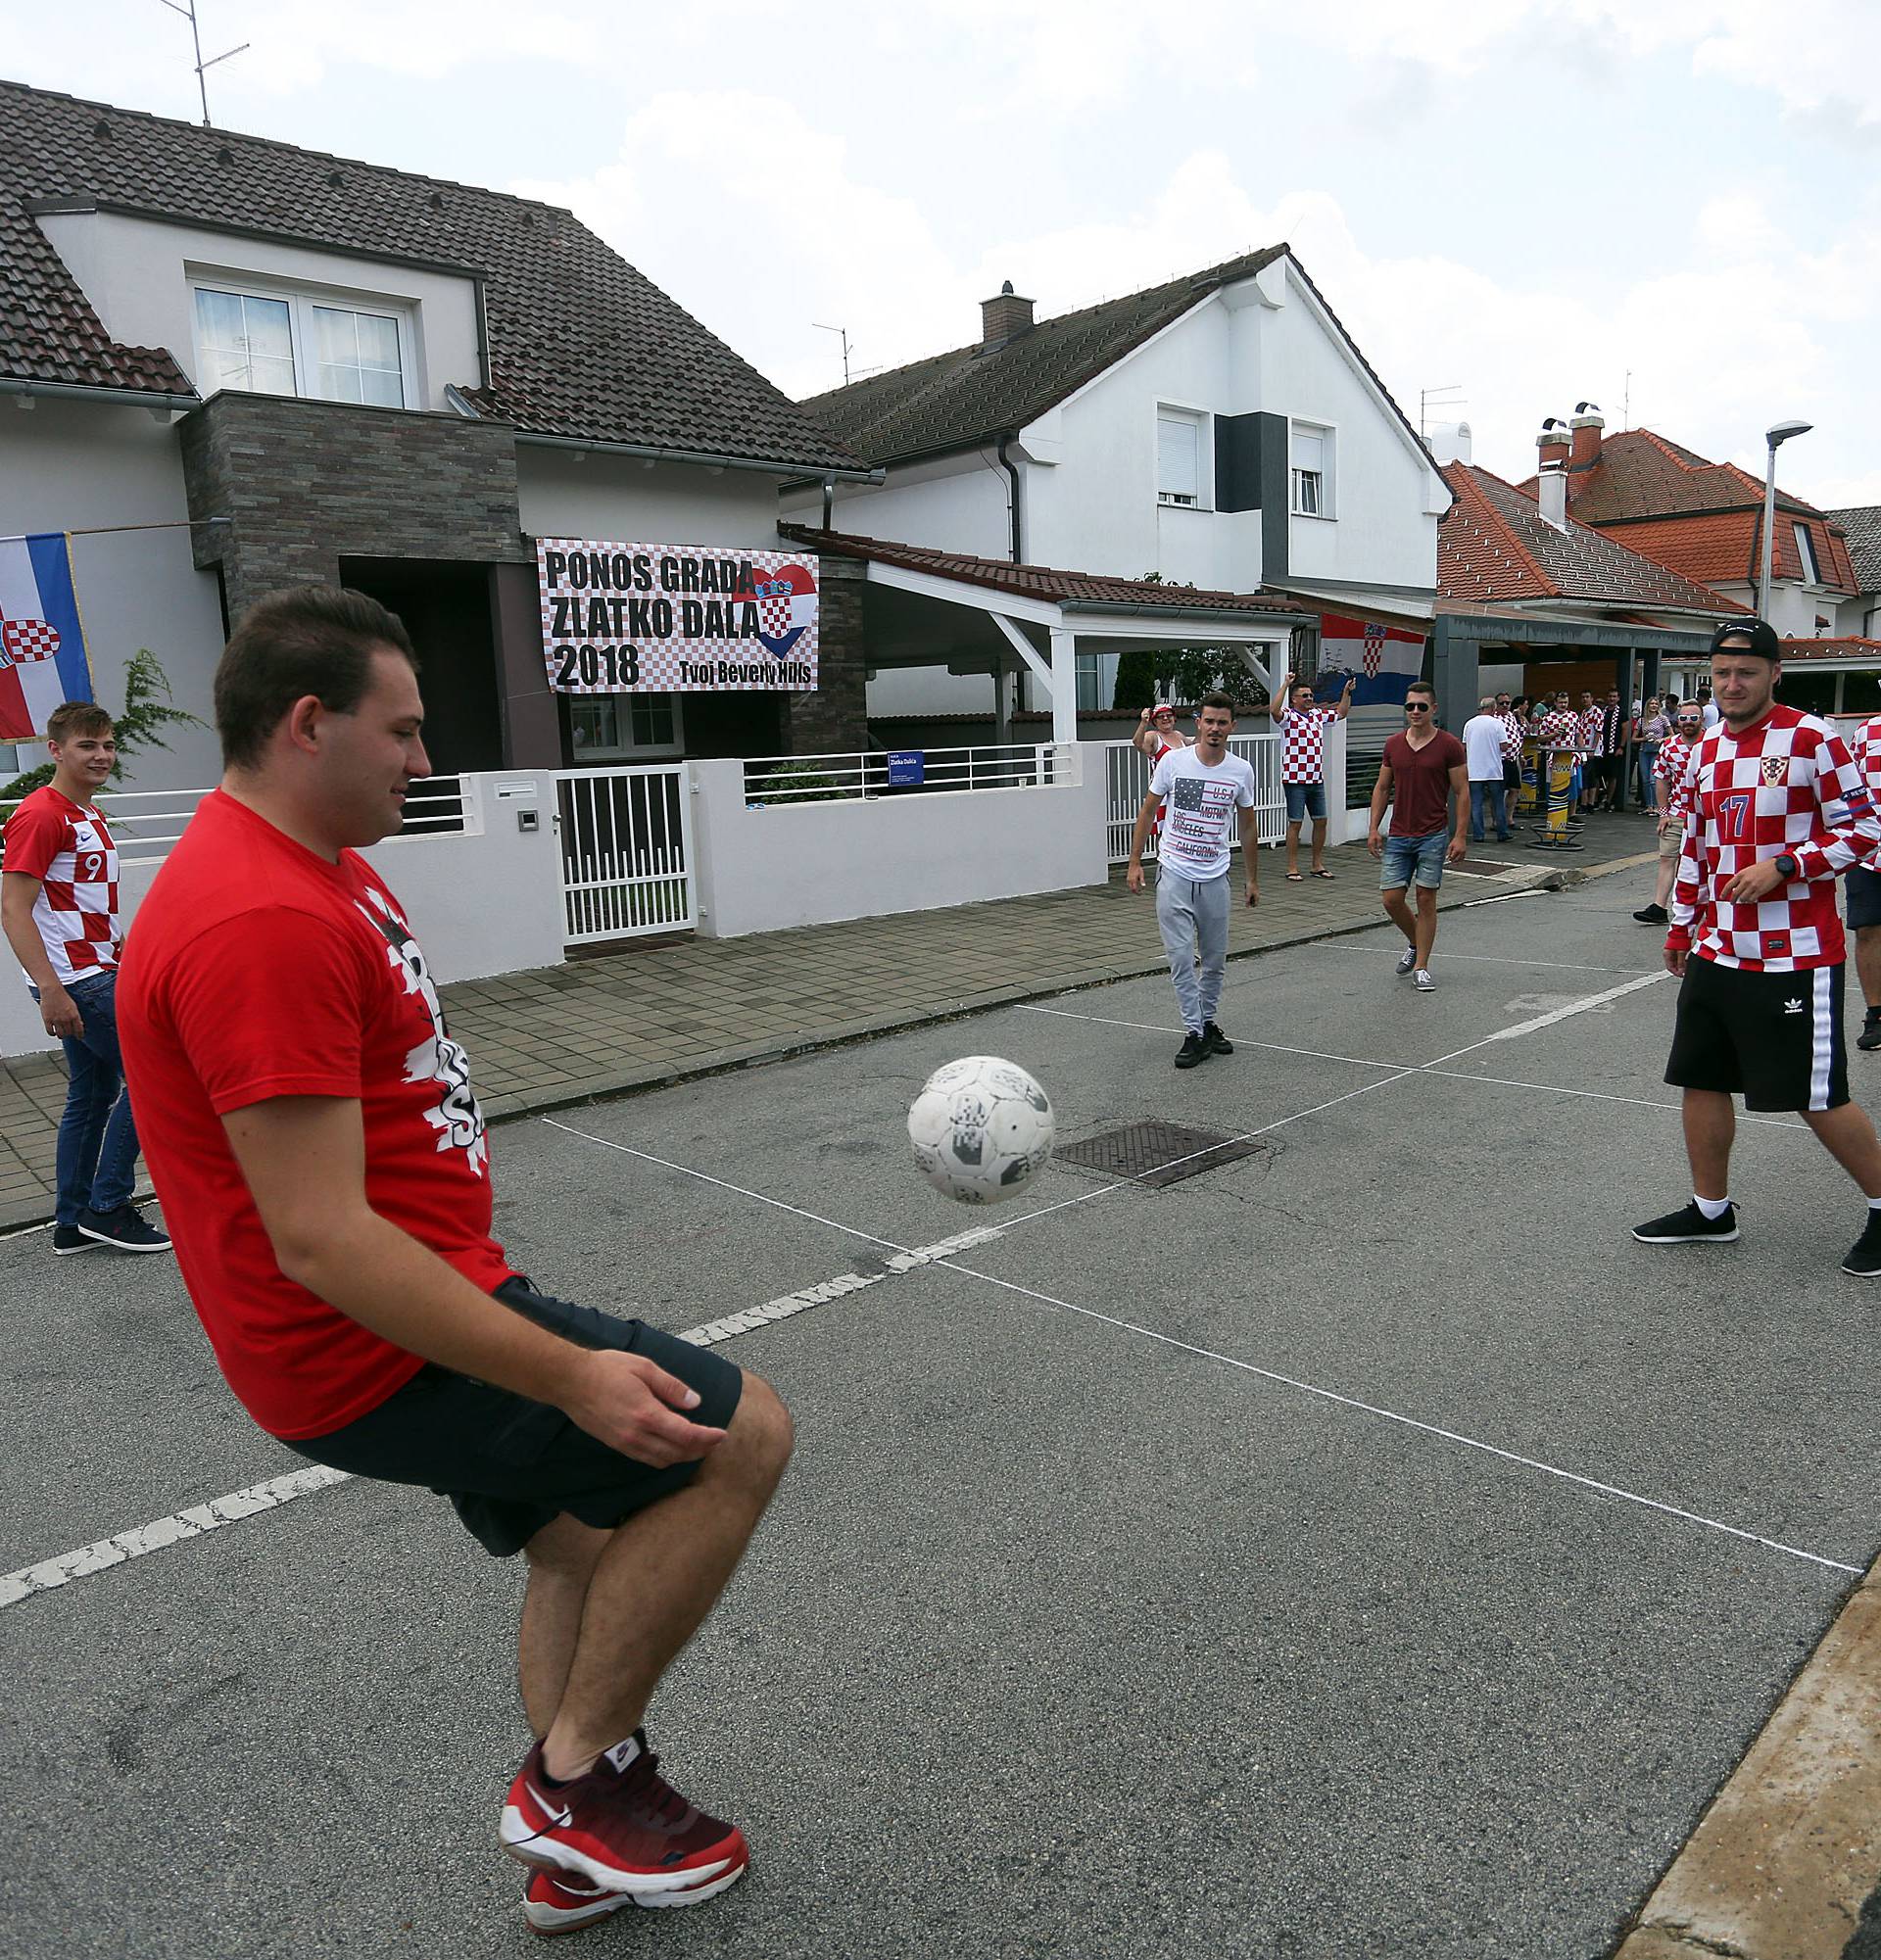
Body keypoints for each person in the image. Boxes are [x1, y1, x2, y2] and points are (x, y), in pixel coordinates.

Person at [116, 588, 794, 1933]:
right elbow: (316, 1235)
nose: (425, 760)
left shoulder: (321, 864)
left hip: (420, 1301)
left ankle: (572, 1840)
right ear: (309, 724)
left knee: (585, 1535)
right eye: (405, 730)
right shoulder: (259, 915)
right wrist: (569, 1373)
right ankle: (576, 1786)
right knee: (736, 1433)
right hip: (368, 1349)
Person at [1633, 619, 1881, 1275]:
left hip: (1795, 952)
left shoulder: (1812, 737)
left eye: (1745, 671)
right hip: (1719, 947)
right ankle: (1711, 1210)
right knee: (1700, 1076)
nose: (1732, 684)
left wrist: (1788, 866)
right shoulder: (1706, 745)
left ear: (1775, 672)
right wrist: (1682, 925)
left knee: (1815, 1092)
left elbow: (1864, 830)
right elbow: (1697, 844)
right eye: (1721, 673)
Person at [1, 701, 170, 1256]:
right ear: (55, 750)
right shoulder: (42, 813)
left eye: (108, 745)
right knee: (157, 1078)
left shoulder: (82, 811)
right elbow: (12, 907)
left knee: (93, 1093)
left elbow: (75, 900)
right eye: (86, 746)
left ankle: (72, 1221)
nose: (101, 756)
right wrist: (50, 989)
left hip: (94, 969)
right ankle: (110, 1207)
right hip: (80, 981)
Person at [1127, 692, 1258, 1067]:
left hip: (1215, 876)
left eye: (1222, 722)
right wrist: (1135, 862)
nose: (1215, 728)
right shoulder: (1173, 763)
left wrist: (1252, 879)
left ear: (1232, 726)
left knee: (1215, 960)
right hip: (1174, 873)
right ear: (1198, 723)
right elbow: (1148, 810)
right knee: (1182, 958)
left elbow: (1248, 826)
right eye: (1209, 721)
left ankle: (1208, 1021)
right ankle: (1194, 1032)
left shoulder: (1240, 770)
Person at [1368, 682, 1468, 991]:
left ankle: (1422, 966)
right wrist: (1373, 828)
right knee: (1391, 899)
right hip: (1399, 834)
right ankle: (1415, 941)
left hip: (1433, 835)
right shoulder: (1394, 744)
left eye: (1421, 707)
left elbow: (1462, 791)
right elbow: (1383, 788)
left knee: (1426, 898)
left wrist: (1460, 835)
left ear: (1433, 709)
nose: (1414, 712)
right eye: (1410, 706)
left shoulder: (1449, 745)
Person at [1268, 670, 1354, 879]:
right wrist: (1286, 685)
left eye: (1310, 696)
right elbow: (1274, 709)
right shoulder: (1288, 717)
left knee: (1321, 820)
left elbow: (1341, 713)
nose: (1309, 699)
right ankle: (1292, 867)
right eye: (1304, 696)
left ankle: (1317, 864)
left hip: (1316, 779)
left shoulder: (1317, 715)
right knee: (1295, 823)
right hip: (1295, 779)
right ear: (1295, 699)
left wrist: (1346, 693)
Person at [1632, 701, 1704, 925]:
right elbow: (1661, 780)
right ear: (1677, 721)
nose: (1688, 723)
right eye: (1683, 718)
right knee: (1667, 859)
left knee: (1705, 863)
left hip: (1706, 816)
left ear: (1702, 719)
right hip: (1676, 814)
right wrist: (1663, 813)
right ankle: (1659, 907)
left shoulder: (1714, 743)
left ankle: (1703, 908)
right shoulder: (1670, 746)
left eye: (1694, 718)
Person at [1849, 708, 1881, 1052]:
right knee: (1868, 929)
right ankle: (1877, 1013)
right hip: (1870, 850)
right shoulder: (1866, 731)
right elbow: (1852, 788)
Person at [1462, 694, 1513, 844]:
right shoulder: (1497, 724)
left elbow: (1464, 747)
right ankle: (1502, 832)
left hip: (1475, 770)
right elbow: (1504, 745)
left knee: (1476, 802)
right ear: (1492, 708)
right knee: (1498, 802)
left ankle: (1478, 834)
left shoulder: (1469, 724)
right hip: (1493, 770)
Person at [1593, 686, 1627, 810]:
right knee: (1596, 775)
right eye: (1610, 696)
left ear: (1618, 698)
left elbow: (1625, 730)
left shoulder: (1622, 713)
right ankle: (1595, 800)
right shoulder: (1602, 712)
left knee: (1612, 776)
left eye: (1614, 696)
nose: (1612, 699)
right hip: (1601, 748)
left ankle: (1608, 801)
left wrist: (1621, 747)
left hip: (1614, 748)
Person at [1635, 694, 1671, 809]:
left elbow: (1672, 735)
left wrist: (1661, 739)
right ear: (1647, 706)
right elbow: (1633, 738)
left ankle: (1657, 806)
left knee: (1653, 780)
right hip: (1644, 750)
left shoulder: (1663, 719)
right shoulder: (1641, 720)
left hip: (1656, 750)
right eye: (1652, 704)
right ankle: (1648, 806)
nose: (1654, 706)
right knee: (1645, 780)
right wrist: (1644, 739)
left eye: (1656, 704)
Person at [1497, 693, 1525, 820]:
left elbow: (1519, 735)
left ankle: (1509, 818)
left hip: (1513, 758)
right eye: (1501, 703)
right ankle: (1496, 820)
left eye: (1507, 703)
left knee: (1515, 789)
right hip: (1500, 759)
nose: (1505, 705)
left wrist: (1521, 755)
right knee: (1498, 792)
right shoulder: (1494, 717)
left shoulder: (1511, 716)